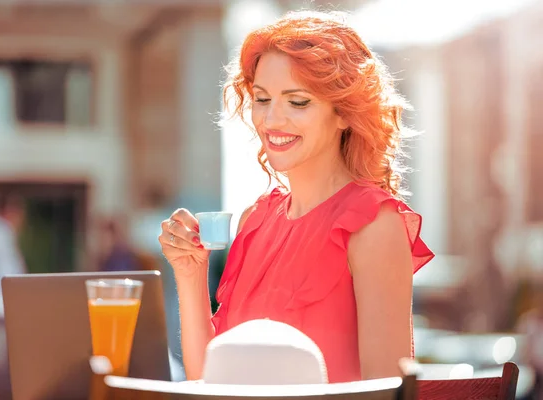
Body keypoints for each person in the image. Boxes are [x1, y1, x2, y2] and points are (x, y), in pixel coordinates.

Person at [159, 10, 434, 383]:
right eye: (261, 98)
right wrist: (190, 275)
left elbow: (387, 391)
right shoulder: (254, 222)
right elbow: (208, 379)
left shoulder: (373, 224)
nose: (271, 120)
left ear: (344, 113)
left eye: (297, 102)